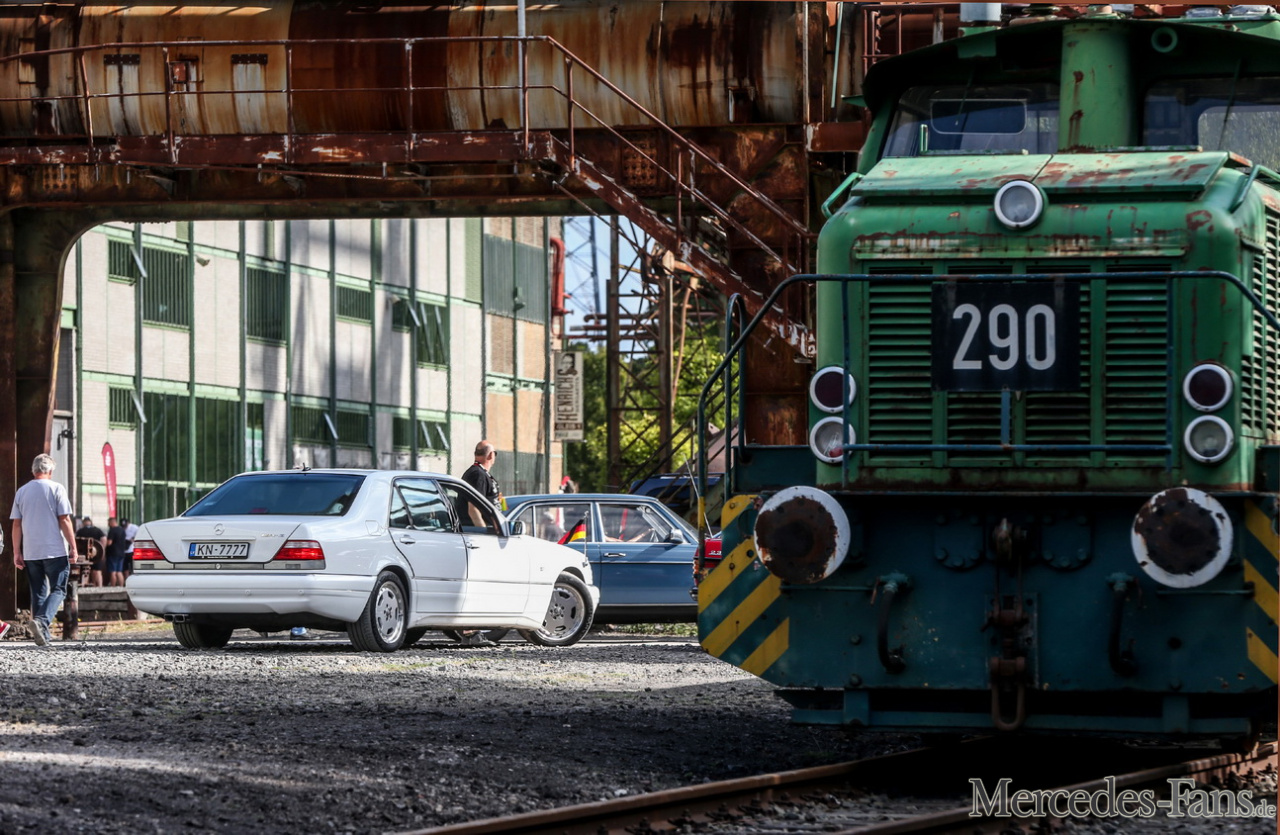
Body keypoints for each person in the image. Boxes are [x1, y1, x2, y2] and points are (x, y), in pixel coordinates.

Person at [10, 454, 78, 646]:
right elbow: (64, 520)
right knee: (59, 589)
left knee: (38, 593)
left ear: (33, 470)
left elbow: (16, 525)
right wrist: (73, 547)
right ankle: (41, 622)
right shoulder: (56, 488)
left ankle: (43, 637)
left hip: (31, 552)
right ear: (50, 470)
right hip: (54, 550)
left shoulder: (22, 491)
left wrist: (17, 552)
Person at [460, 440, 502, 527]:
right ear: (491, 455)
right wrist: (482, 530)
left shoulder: (480, 473)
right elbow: (473, 509)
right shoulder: (478, 474)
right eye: (495, 453)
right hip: (478, 531)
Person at [76, 516, 108, 587]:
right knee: (97, 571)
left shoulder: (80, 531)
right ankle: (99, 586)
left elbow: (76, 541)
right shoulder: (97, 530)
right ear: (90, 522)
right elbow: (104, 539)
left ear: (84, 523)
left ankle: (92, 586)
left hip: (84, 555)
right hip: (96, 553)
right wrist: (102, 550)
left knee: (86, 571)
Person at [105, 516, 127, 588]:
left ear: (111, 522)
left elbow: (109, 542)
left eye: (108, 523)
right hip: (121, 553)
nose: (108, 524)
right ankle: (121, 586)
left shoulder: (112, 530)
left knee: (113, 571)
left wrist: (104, 545)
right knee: (119, 571)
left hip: (113, 553)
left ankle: (113, 586)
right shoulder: (122, 530)